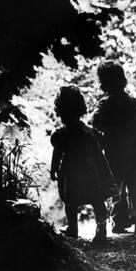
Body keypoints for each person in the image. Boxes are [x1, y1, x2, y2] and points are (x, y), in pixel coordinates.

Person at [92, 60, 136, 236]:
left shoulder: (104, 104)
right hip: (135, 154)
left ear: (103, 83)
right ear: (122, 80)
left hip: (115, 155)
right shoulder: (133, 102)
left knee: (116, 191)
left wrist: (108, 130)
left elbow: (96, 123)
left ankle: (119, 222)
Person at [50, 85, 116, 243]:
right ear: (80, 107)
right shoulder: (89, 132)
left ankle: (73, 228)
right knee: (97, 200)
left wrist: (53, 170)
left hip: (72, 174)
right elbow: (99, 148)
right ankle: (101, 228)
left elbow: (57, 153)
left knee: (70, 202)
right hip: (90, 172)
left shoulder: (61, 134)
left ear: (60, 111)